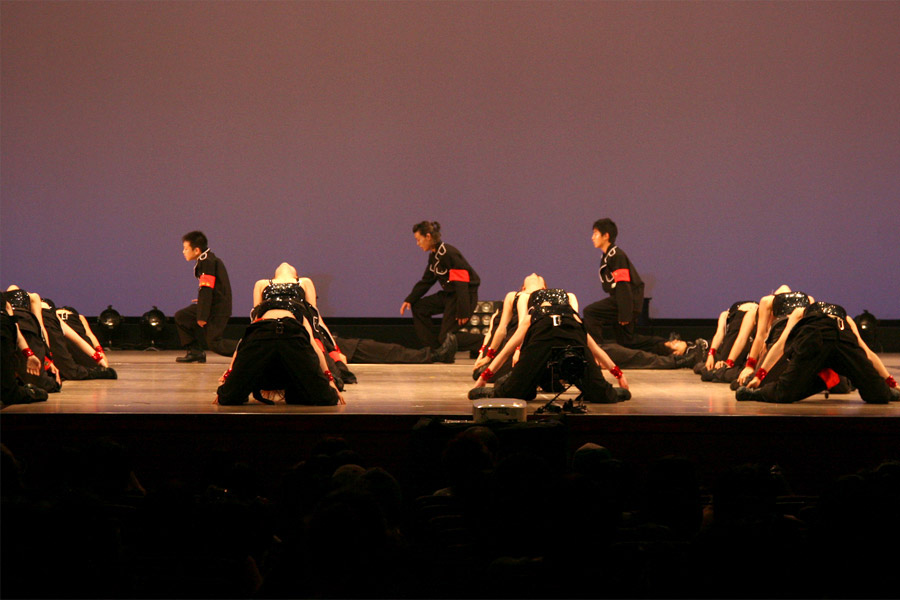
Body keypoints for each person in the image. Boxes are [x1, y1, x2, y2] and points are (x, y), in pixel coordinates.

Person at [469, 274, 630, 404]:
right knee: (602, 393)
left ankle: (513, 388)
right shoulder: (565, 312)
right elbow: (594, 348)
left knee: (513, 391)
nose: (534, 275)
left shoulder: (533, 314)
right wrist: (618, 374)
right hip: (561, 331)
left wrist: (484, 377)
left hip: (547, 333)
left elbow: (507, 350)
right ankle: (604, 391)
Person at [215, 264, 343, 406]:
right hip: (279, 332)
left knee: (326, 397)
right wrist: (230, 372)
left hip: (276, 332)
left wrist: (330, 376)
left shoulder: (304, 283)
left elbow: (315, 322)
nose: (284, 264)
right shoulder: (262, 284)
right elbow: (247, 336)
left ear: (296, 276)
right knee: (326, 397)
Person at [582, 218, 703, 358]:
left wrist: (625, 312)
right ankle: (666, 346)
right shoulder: (607, 256)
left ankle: (597, 352)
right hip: (624, 302)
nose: (592, 237)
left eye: (595, 233)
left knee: (591, 312)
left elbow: (623, 285)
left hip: (626, 302)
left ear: (606, 236)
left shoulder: (616, 255)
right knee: (627, 341)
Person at [736, 302, 898, 404]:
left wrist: (759, 375)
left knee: (879, 397)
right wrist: (759, 376)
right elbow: (867, 353)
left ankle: (886, 390)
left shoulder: (803, 312)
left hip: (829, 336)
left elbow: (781, 344)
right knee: (784, 393)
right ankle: (753, 394)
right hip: (821, 336)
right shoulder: (841, 318)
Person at [400, 221, 480, 357]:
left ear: (428, 236)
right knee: (419, 308)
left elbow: (462, 284)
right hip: (450, 295)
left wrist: (463, 310)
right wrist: (410, 299)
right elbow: (427, 281)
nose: (418, 244)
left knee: (446, 337)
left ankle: (488, 342)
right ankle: (435, 349)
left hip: (463, 296)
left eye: (418, 240)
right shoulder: (434, 256)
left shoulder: (448, 253)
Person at [174, 231, 237, 362]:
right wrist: (203, 302)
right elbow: (213, 288)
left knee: (214, 343)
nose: (183, 252)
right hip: (213, 304)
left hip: (218, 308)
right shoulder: (207, 259)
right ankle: (195, 352)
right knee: (182, 316)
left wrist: (202, 316)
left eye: (186, 249)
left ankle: (248, 349)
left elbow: (206, 289)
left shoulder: (207, 262)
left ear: (196, 250)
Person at [695, 301, 758, 383]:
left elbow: (740, 339)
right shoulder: (727, 315)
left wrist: (726, 362)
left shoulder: (740, 315)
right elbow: (721, 335)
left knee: (718, 367)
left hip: (743, 317)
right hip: (748, 314)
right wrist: (712, 355)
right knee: (717, 366)